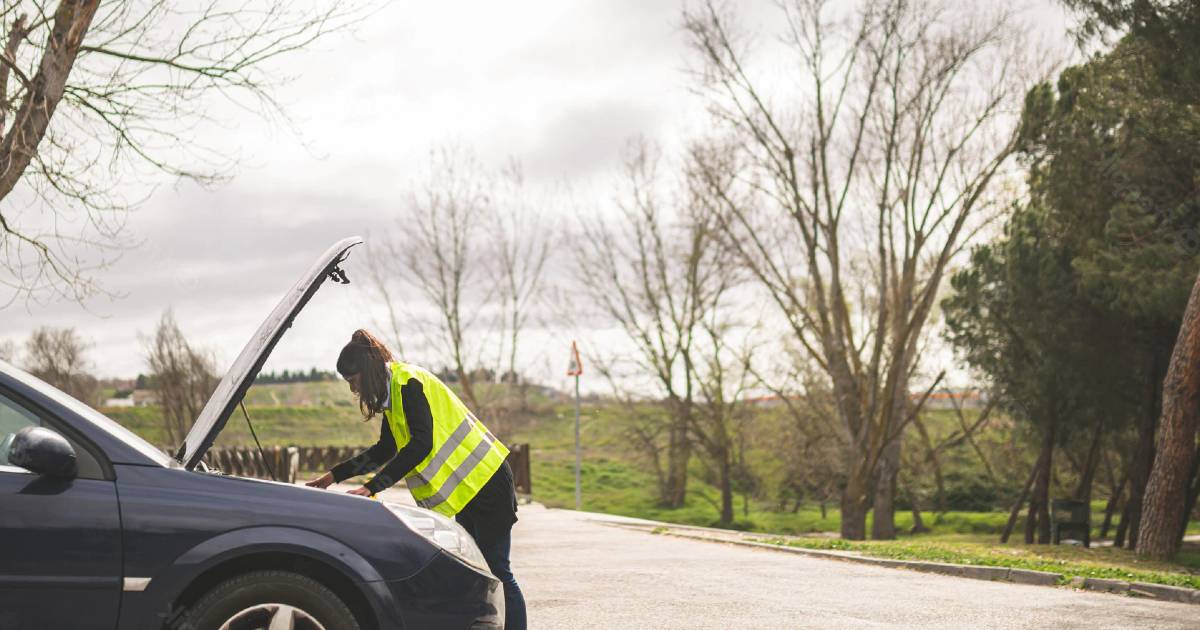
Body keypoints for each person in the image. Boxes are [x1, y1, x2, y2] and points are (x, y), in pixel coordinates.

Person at [307, 329, 526, 630]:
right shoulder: (393, 393)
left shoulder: (408, 383)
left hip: (487, 482)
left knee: (498, 572)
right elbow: (386, 448)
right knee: (475, 573)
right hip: (471, 489)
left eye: (353, 381)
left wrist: (372, 487)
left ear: (367, 373)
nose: (353, 390)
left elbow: (421, 444)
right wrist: (335, 475)